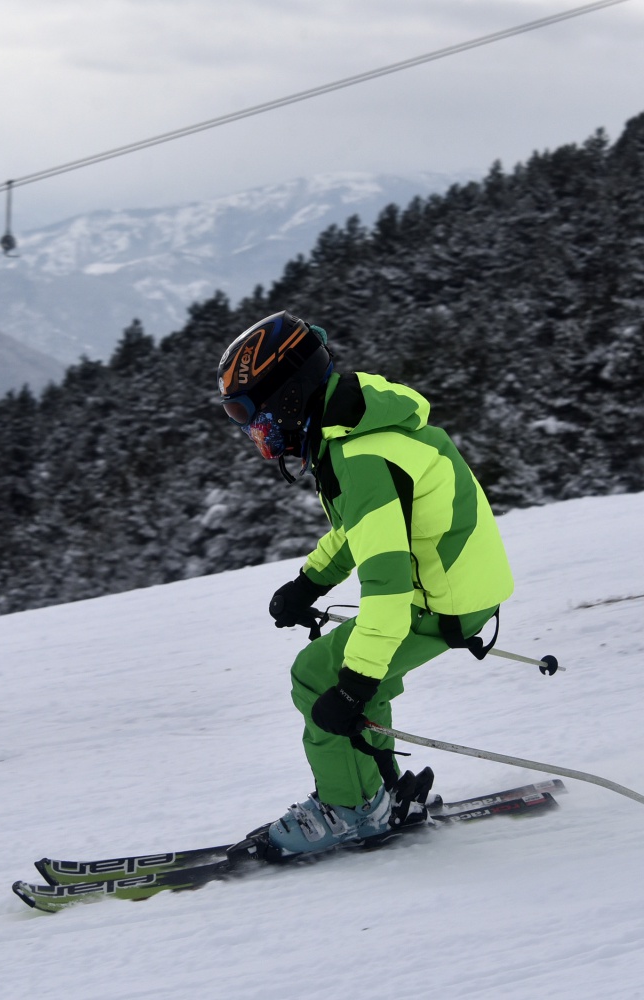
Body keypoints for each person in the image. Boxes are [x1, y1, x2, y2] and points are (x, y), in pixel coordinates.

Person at [216, 310, 515, 858]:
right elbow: (368, 528)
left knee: (316, 676)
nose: (258, 436)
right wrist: (310, 582)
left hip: (438, 599)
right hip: (457, 584)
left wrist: (352, 685)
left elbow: (387, 590)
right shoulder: (358, 423)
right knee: (355, 674)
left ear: (288, 397)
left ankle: (349, 810)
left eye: (253, 417)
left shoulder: (357, 457)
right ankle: (375, 796)